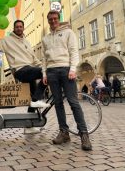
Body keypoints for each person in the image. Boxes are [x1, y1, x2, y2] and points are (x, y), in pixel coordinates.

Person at [42, 10, 92, 151]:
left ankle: (84, 134)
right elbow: (44, 59)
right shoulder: (45, 39)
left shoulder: (69, 33)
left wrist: (72, 69)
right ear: (48, 21)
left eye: (55, 18)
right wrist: (44, 73)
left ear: (59, 19)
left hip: (65, 70)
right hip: (51, 72)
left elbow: (74, 52)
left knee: (73, 102)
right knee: (58, 103)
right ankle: (64, 132)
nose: (53, 21)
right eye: (50, 19)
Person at [0, 20, 50, 134]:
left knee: (33, 99)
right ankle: (36, 103)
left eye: (20, 26)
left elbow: (34, 59)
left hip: (30, 70)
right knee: (40, 86)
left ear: (23, 28)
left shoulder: (26, 42)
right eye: (16, 27)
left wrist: (44, 66)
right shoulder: (7, 40)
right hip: (20, 70)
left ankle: (29, 126)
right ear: (14, 28)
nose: (19, 28)